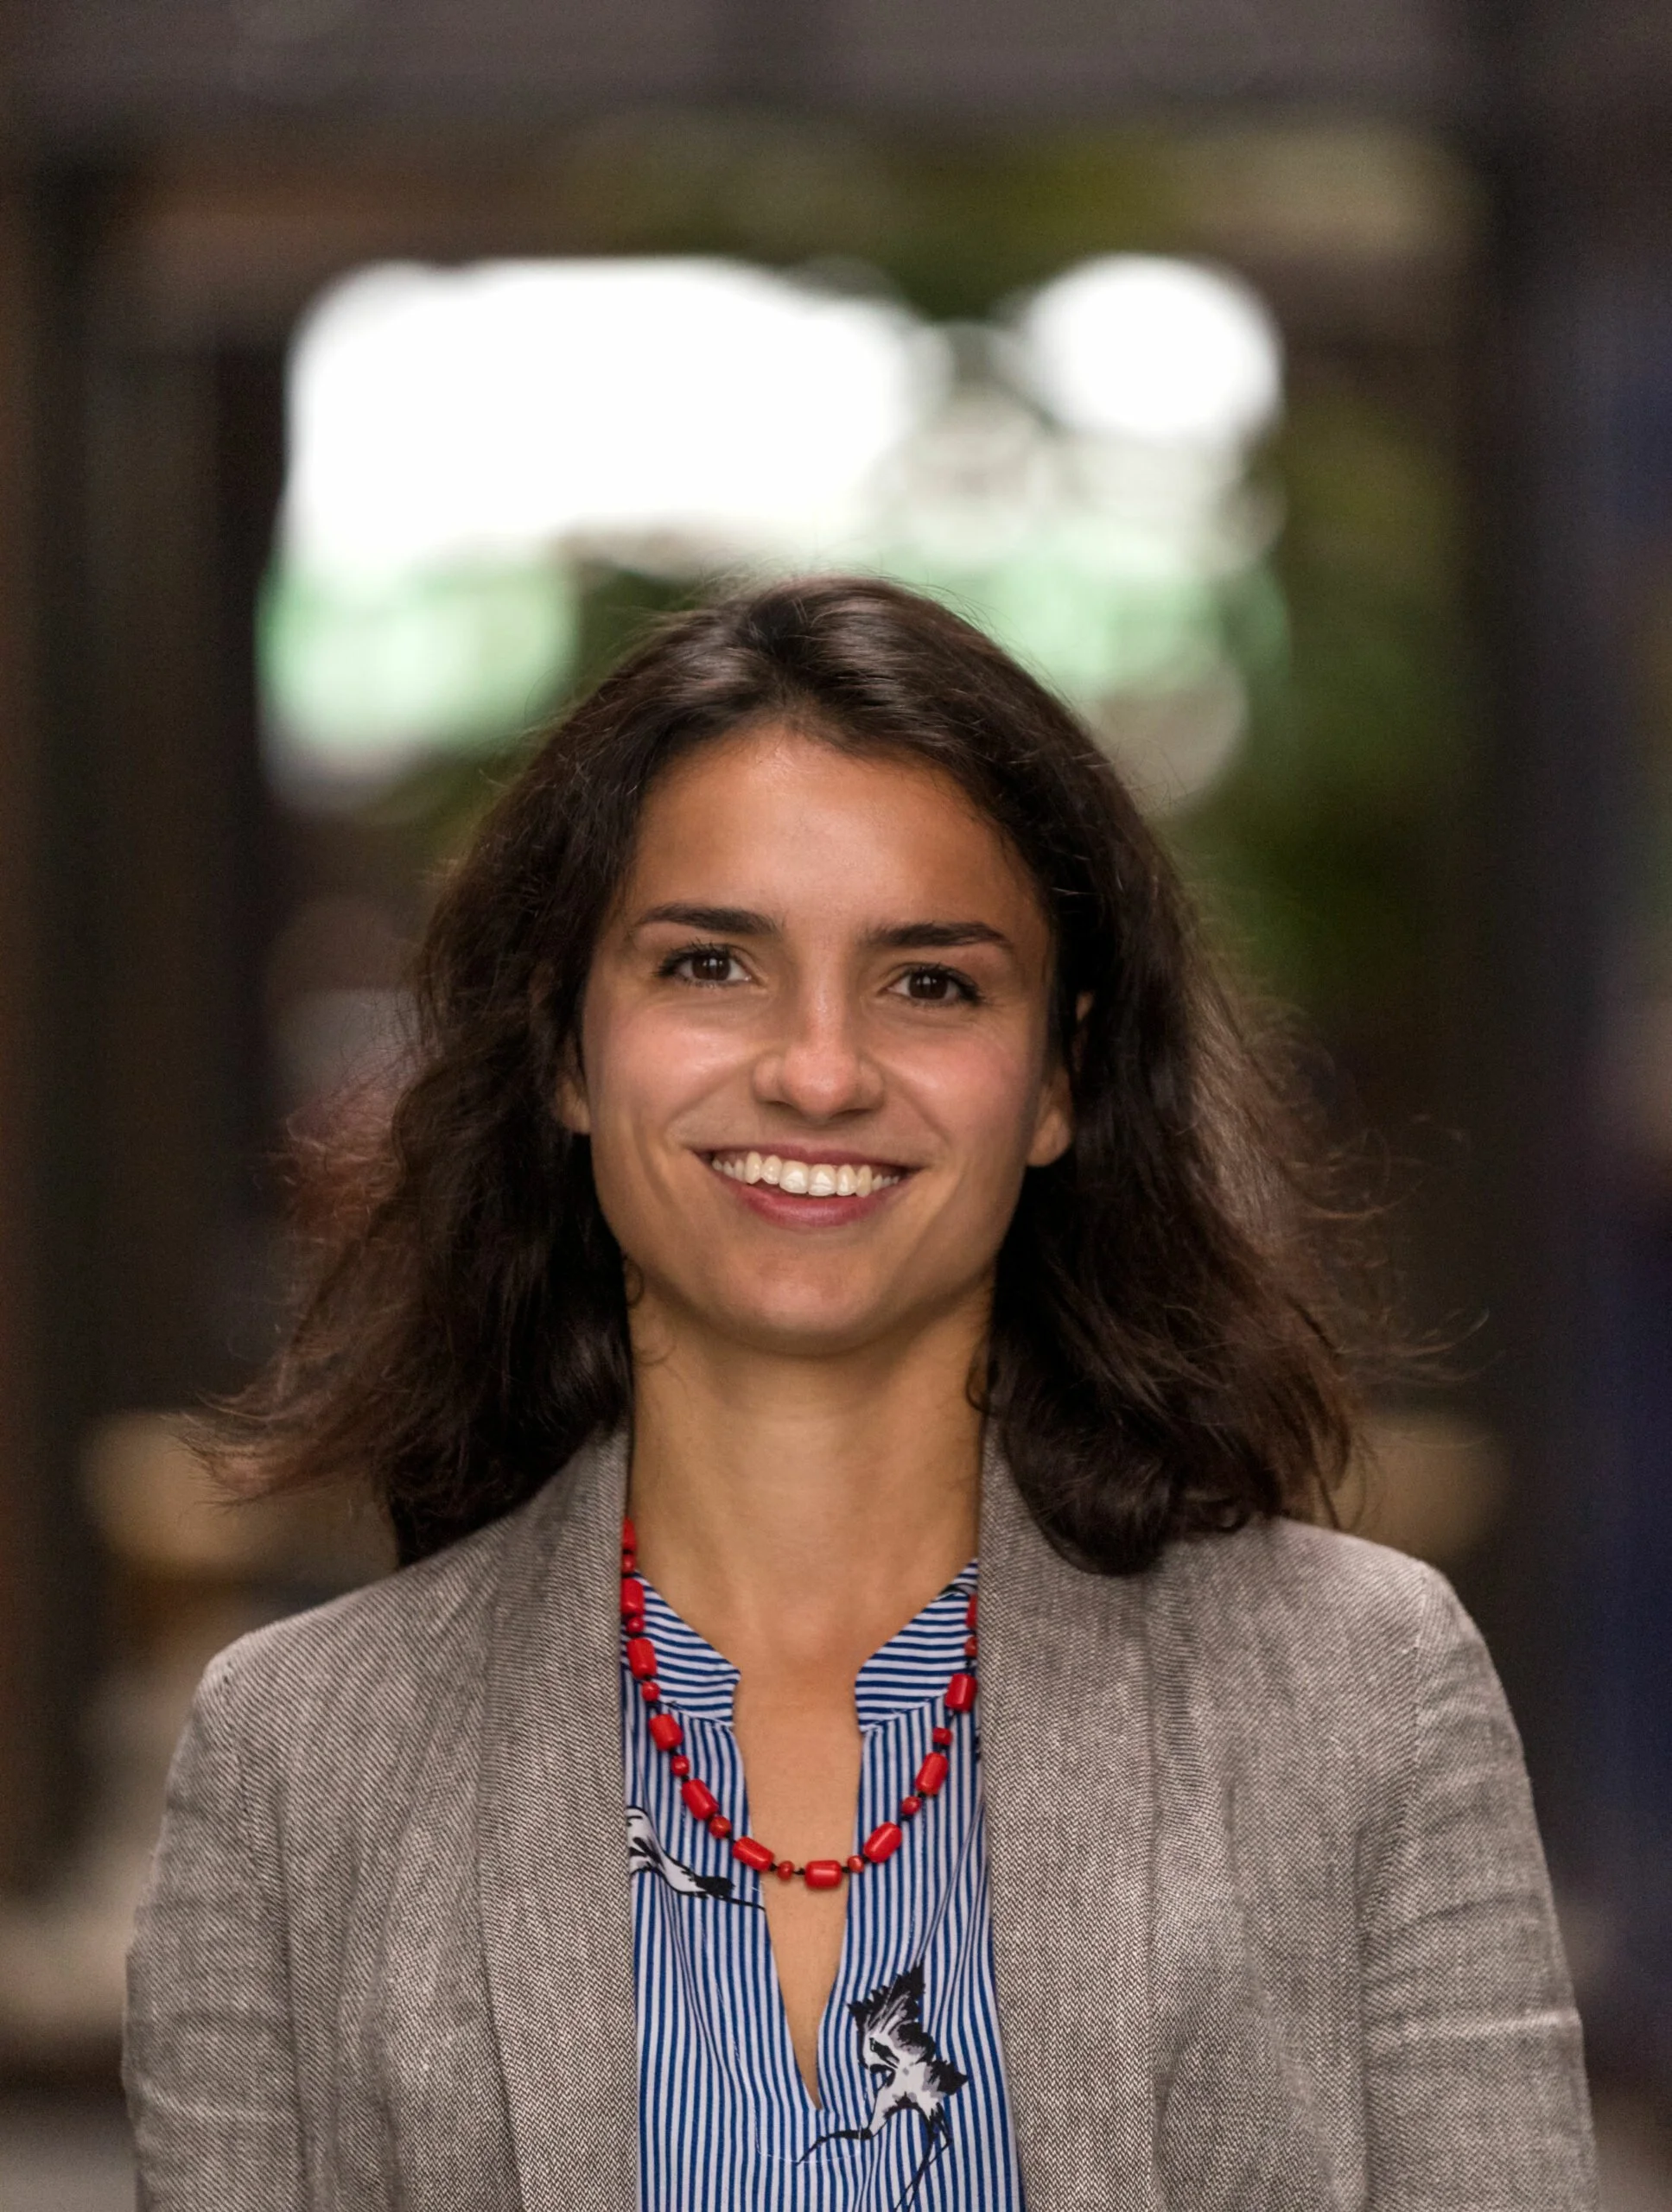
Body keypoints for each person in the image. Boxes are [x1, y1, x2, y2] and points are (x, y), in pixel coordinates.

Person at [124, 575, 1598, 2211]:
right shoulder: (301, 1757)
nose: (818, 1069)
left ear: (1056, 1081)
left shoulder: (1358, 1694)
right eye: (709, 965)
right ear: (563, 1045)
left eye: (928, 984)